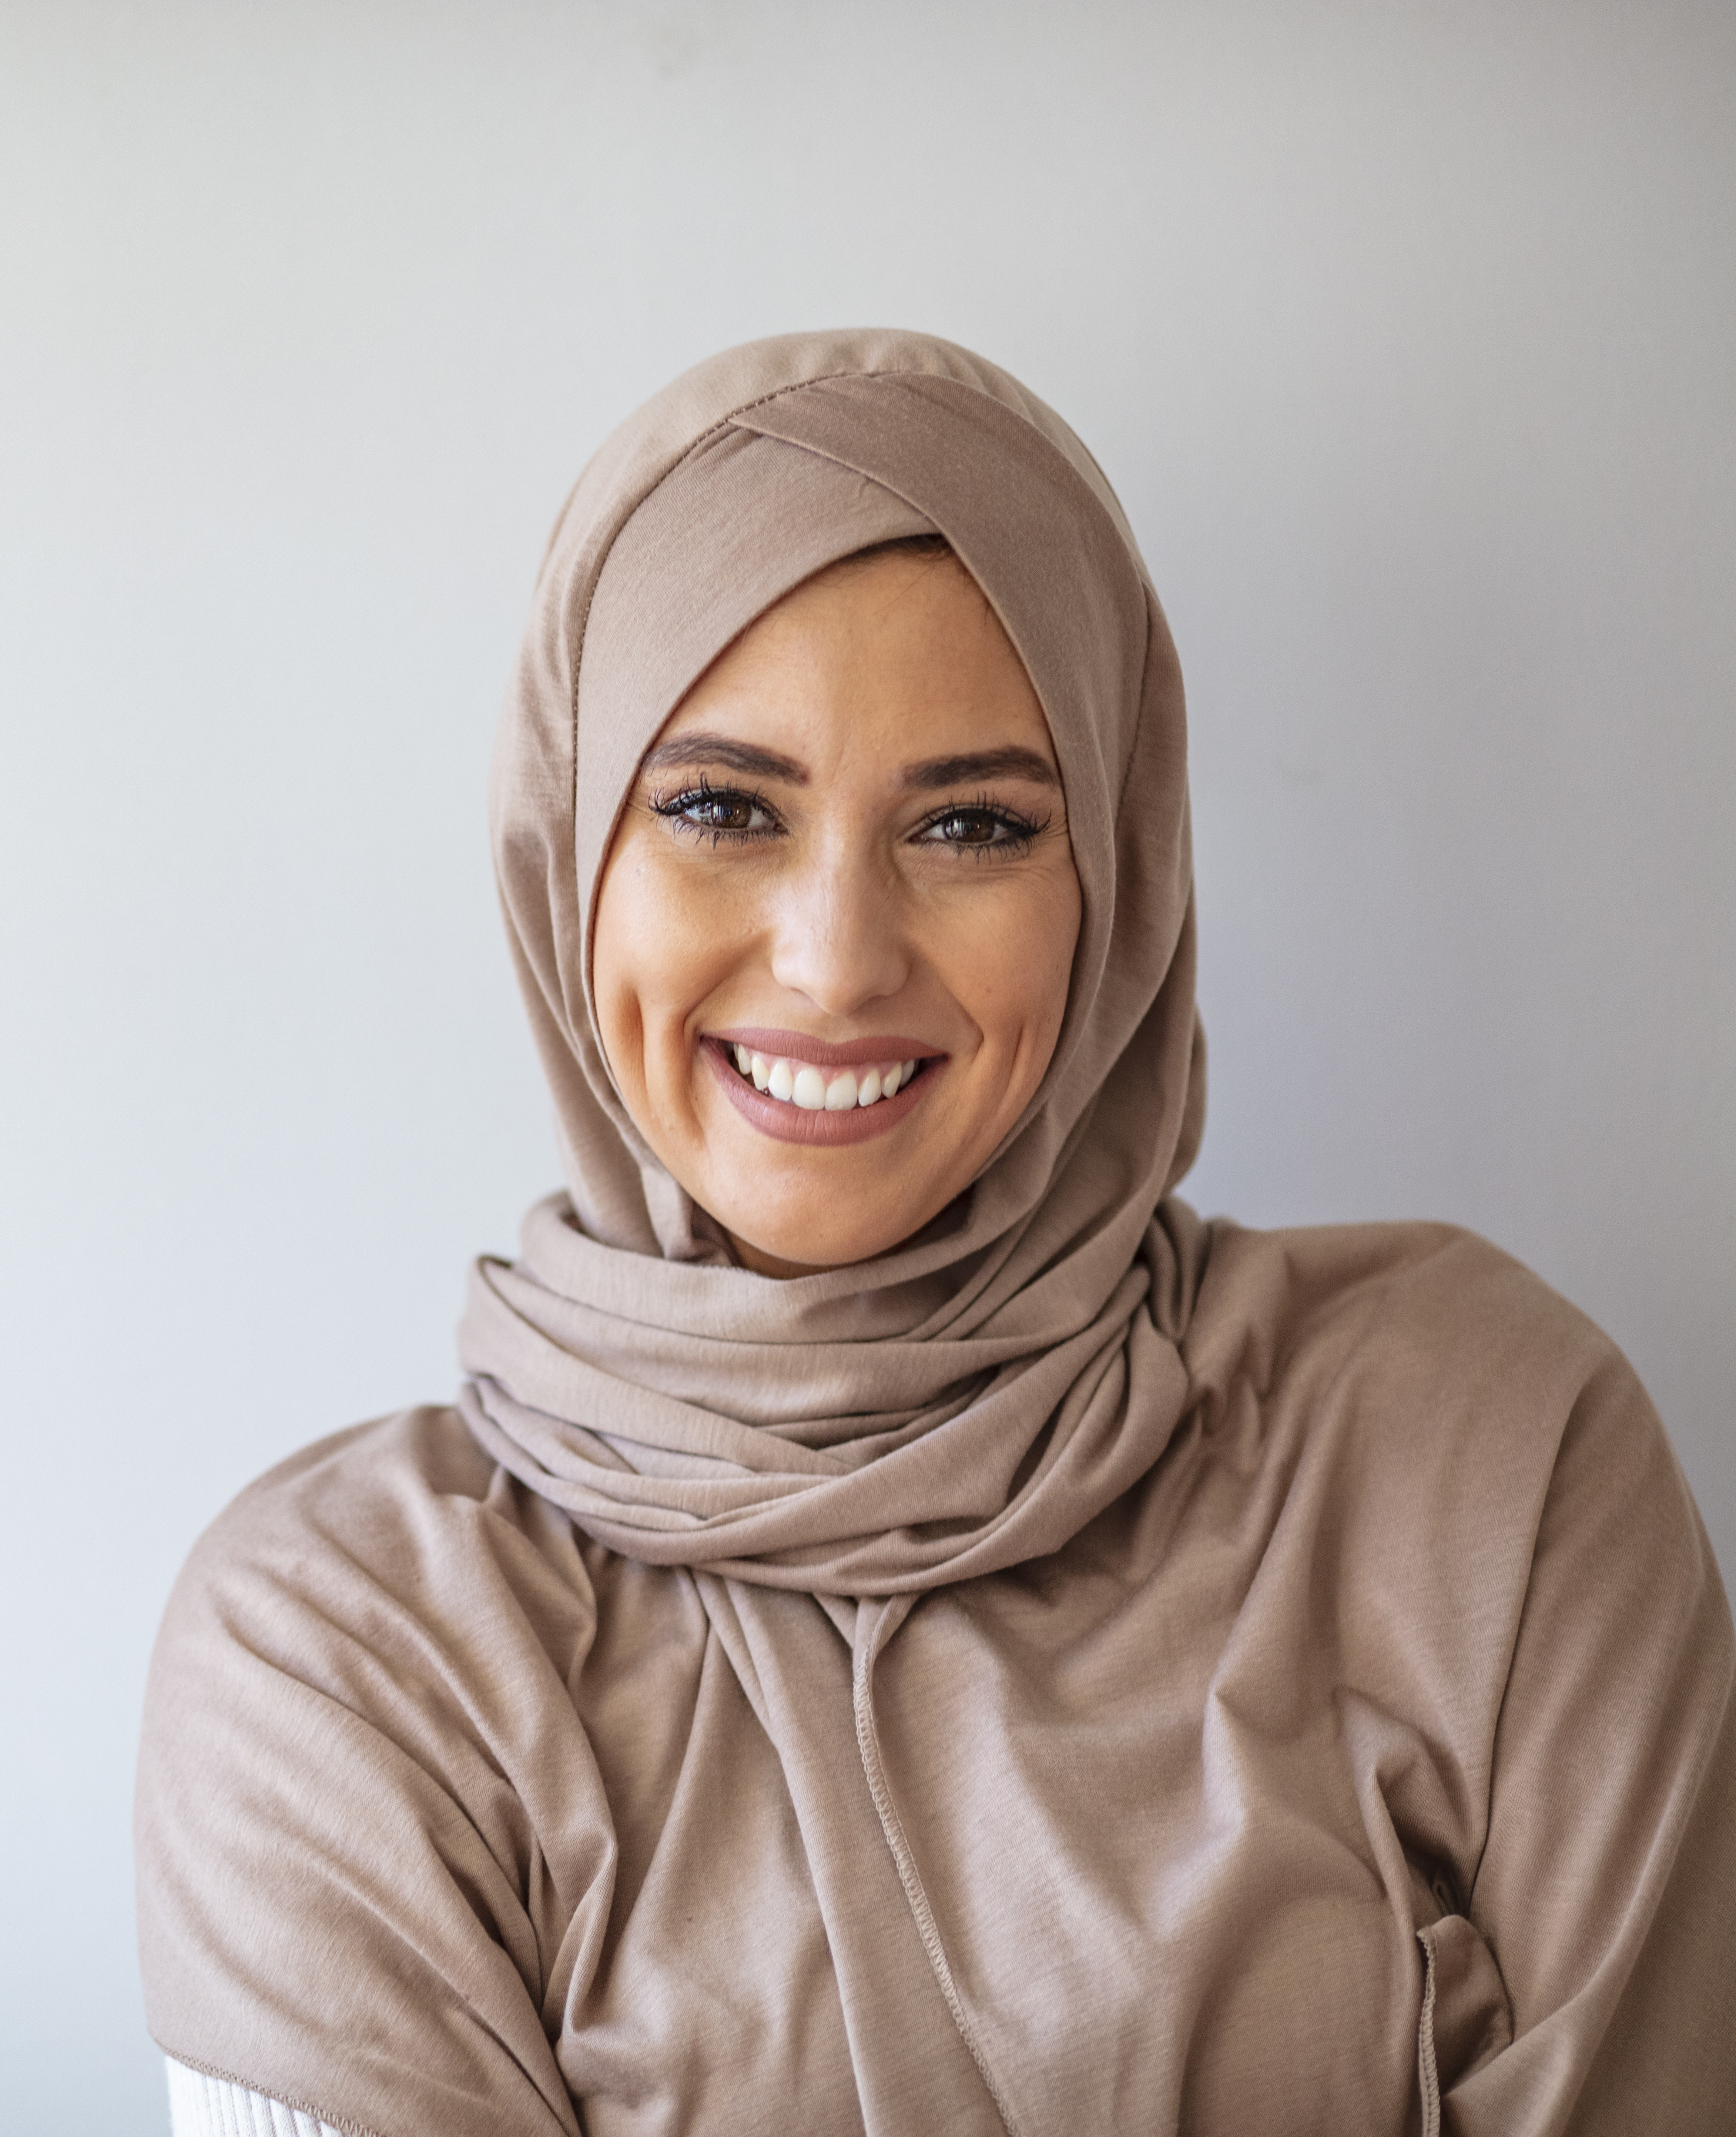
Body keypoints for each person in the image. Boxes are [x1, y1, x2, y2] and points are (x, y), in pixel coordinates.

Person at [133, 329, 1735, 2137]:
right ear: (563, 852)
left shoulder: (1482, 1459)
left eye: (970, 823)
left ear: (1110, 887)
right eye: (719, 808)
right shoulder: (344, 1648)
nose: (835, 958)